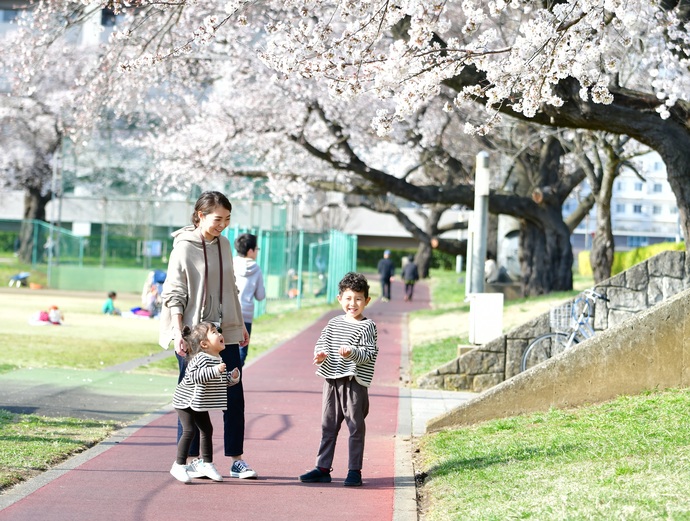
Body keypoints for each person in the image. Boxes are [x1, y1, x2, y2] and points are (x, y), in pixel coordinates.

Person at [159, 190, 256, 480]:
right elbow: (174, 294)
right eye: (217, 219)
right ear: (200, 215)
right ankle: (188, 460)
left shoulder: (225, 244)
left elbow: (231, 288)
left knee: (233, 393)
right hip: (193, 336)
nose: (222, 224)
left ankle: (236, 459)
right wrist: (179, 333)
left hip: (223, 333)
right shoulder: (183, 248)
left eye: (227, 219)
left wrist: (238, 327)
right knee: (191, 397)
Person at [299, 272, 378, 487]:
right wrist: (320, 355)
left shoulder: (367, 326)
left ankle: (354, 471)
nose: (353, 304)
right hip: (331, 380)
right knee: (328, 425)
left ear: (367, 301)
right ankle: (322, 468)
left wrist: (352, 352)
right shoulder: (333, 323)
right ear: (340, 299)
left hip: (354, 382)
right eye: (348, 298)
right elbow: (321, 343)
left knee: (355, 426)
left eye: (358, 299)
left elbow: (369, 353)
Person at [170, 322, 240, 483]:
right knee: (189, 431)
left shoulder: (217, 358)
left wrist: (232, 377)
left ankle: (207, 463)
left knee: (207, 429)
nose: (220, 334)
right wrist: (216, 371)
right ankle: (179, 465)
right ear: (204, 344)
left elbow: (218, 381)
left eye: (218, 331)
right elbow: (194, 376)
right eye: (214, 332)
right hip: (186, 401)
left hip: (199, 402)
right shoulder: (199, 358)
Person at [233, 233, 266, 367]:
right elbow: (260, 295)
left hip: (230, 311)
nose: (257, 252)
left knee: (227, 348)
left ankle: (224, 381)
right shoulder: (256, 268)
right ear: (250, 251)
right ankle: (236, 379)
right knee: (242, 348)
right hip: (246, 314)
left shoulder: (231, 263)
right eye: (257, 249)